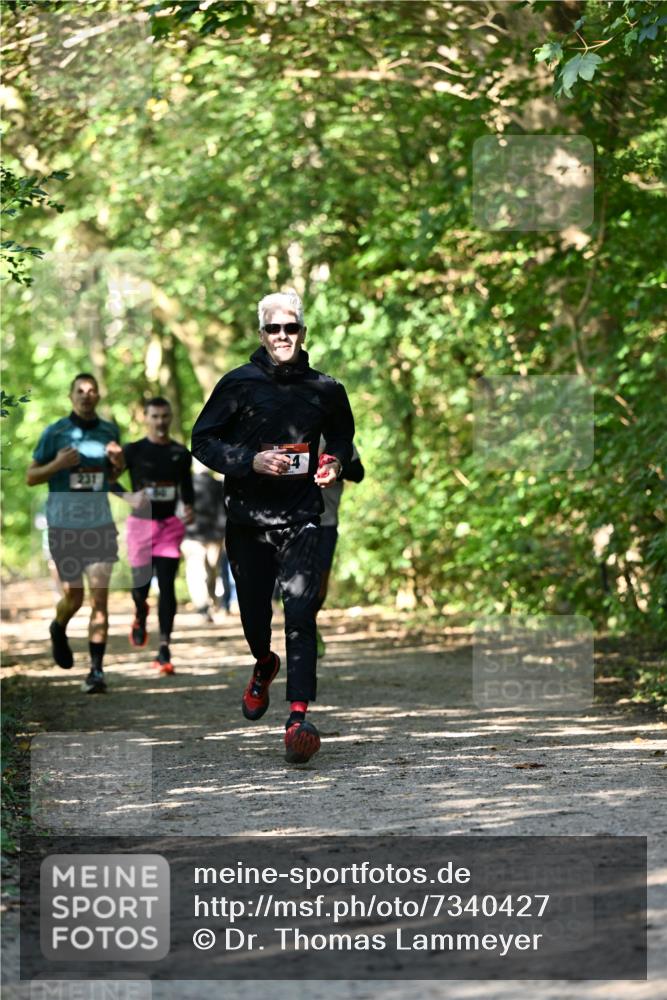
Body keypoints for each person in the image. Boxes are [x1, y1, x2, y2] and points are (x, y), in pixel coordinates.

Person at [191, 290, 355, 764]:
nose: (283, 336)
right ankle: (264, 663)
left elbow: (342, 435)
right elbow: (202, 440)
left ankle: (298, 717)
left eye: (291, 327)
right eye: (274, 328)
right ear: (261, 334)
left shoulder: (326, 389)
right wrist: (250, 460)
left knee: (301, 613)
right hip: (248, 521)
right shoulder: (237, 384)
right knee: (254, 618)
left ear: (303, 331)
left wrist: (334, 462)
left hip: (302, 517)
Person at [26, 373, 124, 693]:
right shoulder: (54, 433)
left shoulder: (109, 431)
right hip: (64, 527)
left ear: (98, 396)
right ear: (71, 396)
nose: (86, 395)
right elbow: (31, 477)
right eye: (80, 390)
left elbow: (111, 478)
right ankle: (58, 627)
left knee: (100, 599)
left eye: (91, 390)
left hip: (100, 525)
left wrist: (119, 462)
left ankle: (96, 671)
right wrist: (57, 464)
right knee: (75, 597)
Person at [122, 397, 194, 675]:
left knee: (167, 585)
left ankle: (164, 647)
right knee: (140, 587)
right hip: (140, 526)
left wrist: (189, 507)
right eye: (155, 416)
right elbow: (108, 478)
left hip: (169, 526)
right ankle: (140, 611)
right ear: (146, 418)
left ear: (170, 417)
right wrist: (128, 496)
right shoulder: (134, 450)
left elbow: (186, 487)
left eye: (165, 416)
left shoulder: (180, 452)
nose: (160, 421)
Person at [315, 439, 365, 657]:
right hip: (293, 520)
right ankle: (301, 629)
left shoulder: (337, 437)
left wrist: (335, 466)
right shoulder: (291, 429)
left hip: (326, 521)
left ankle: (310, 623)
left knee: (320, 585)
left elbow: (359, 472)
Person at [182, 461, 226, 623]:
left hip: (206, 536)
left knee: (208, 572)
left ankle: (209, 604)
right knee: (201, 572)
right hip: (198, 537)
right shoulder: (187, 484)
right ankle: (204, 606)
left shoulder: (216, 485)